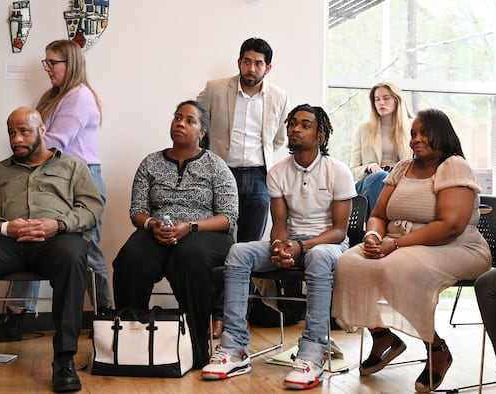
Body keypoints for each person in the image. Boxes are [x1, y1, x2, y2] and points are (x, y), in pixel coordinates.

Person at [332, 108, 491, 393]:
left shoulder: (454, 166)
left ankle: (437, 348)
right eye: (413, 133)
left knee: (397, 267)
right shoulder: (403, 167)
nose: (416, 139)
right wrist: (372, 234)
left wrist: (394, 244)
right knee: (349, 263)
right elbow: (379, 213)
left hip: (455, 246)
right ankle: (383, 337)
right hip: (394, 242)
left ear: (441, 134)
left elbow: (450, 226)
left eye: (424, 133)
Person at [201, 104, 356, 390]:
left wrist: (301, 246)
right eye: (292, 124)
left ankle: (313, 352)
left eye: (305, 125)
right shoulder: (277, 172)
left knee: (319, 256)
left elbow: (338, 231)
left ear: (321, 134)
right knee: (239, 251)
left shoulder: (339, 171)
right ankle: (235, 349)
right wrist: (278, 246)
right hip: (292, 244)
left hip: (328, 247)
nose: (295, 129)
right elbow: (280, 222)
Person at [0, 39, 111, 343]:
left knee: (89, 254)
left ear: (70, 64)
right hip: (43, 176)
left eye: (52, 63)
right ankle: (16, 317)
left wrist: (27, 155)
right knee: (29, 235)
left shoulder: (79, 97)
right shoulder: (52, 97)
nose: (47, 68)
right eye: (46, 62)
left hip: (77, 178)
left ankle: (106, 316)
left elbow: (54, 141)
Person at [112, 100, 238, 369]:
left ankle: (194, 347)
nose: (180, 123)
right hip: (159, 230)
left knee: (189, 258)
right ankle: (131, 344)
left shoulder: (217, 166)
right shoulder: (150, 163)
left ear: (202, 131)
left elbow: (228, 218)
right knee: (130, 259)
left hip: (204, 232)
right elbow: (137, 211)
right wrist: (151, 225)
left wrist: (190, 227)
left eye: (189, 120)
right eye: (177, 118)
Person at [0, 106, 103, 392]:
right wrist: (5, 227)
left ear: (42, 130)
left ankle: (64, 359)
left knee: (72, 257)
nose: (16, 139)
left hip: (57, 239)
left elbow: (92, 207)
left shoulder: (73, 167)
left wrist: (59, 224)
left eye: (24, 131)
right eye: (11, 132)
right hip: (9, 241)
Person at [196, 37, 290, 337]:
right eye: (247, 61)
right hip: (222, 176)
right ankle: (217, 315)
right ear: (239, 62)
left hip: (260, 178)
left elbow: (277, 139)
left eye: (258, 63)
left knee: (249, 248)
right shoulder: (215, 88)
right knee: (221, 247)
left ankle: (241, 314)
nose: (252, 68)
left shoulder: (279, 96)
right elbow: (197, 124)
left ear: (268, 67)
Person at [350, 81, 411, 216]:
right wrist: (370, 167)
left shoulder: (411, 128)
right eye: (377, 99)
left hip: (398, 182)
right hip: (369, 182)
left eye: (386, 98)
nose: (381, 103)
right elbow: (353, 170)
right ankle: (375, 225)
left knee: (390, 182)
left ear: (396, 100)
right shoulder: (363, 129)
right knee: (380, 177)